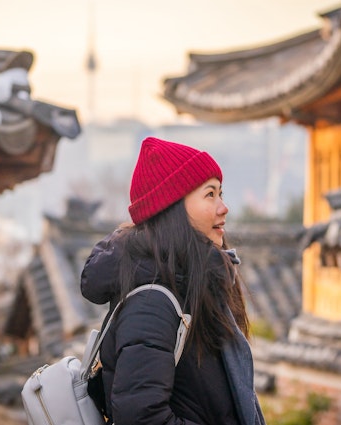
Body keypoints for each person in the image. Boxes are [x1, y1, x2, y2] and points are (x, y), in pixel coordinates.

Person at [80, 137, 266, 425]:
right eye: (210, 195)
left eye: (221, 194)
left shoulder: (191, 285)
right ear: (173, 208)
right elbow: (141, 417)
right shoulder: (151, 302)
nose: (223, 207)